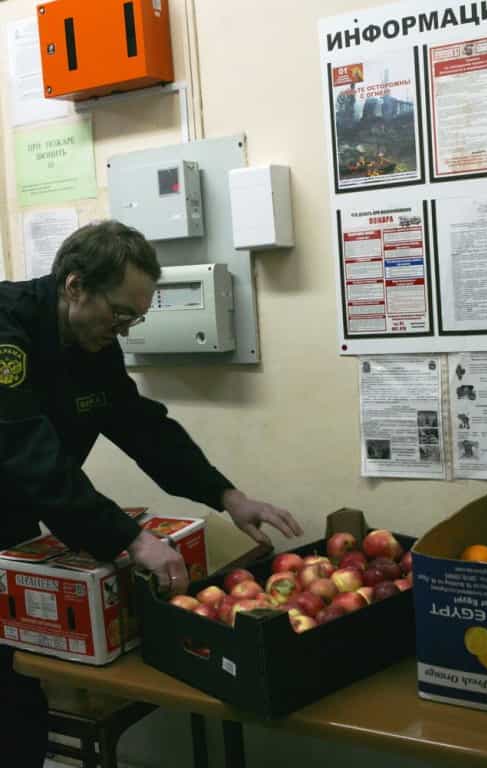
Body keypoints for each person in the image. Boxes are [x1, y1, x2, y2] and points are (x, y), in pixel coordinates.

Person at [0, 219, 303, 767]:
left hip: (12, 518)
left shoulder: (92, 342)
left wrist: (225, 494)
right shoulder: (7, 329)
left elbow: (142, 426)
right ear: (75, 286)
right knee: (11, 690)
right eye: (118, 314)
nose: (122, 329)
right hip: (16, 492)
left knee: (18, 685)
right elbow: (28, 454)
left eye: (134, 320)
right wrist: (130, 539)